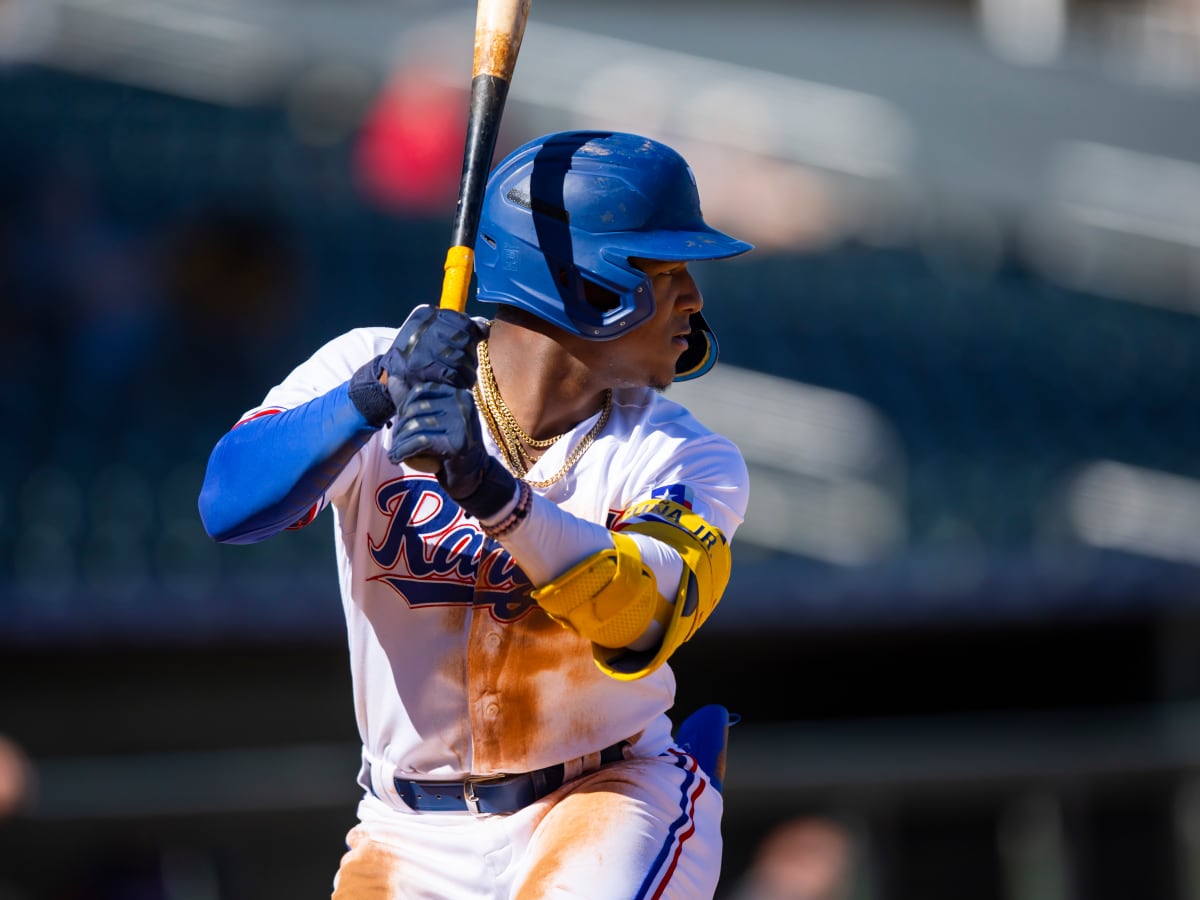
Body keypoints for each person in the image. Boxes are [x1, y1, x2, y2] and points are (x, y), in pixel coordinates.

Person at [198, 129, 753, 899]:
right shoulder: (374, 365)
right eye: (663, 269)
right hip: (406, 828)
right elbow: (229, 504)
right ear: (581, 283)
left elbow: (640, 614)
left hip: (605, 796)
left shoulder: (681, 454)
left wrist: (490, 492)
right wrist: (371, 395)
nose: (692, 297)